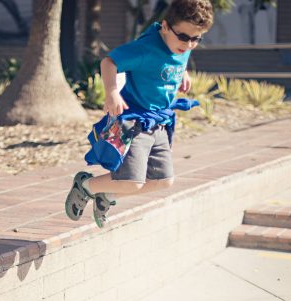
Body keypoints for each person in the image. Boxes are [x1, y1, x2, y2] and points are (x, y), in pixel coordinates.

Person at [65, 0, 214, 228]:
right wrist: (112, 92)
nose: (189, 44)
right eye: (184, 37)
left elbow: (175, 59)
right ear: (165, 27)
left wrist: (182, 74)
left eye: (197, 39)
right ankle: (85, 186)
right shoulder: (146, 48)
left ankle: (107, 196)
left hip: (160, 121)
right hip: (135, 121)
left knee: (164, 180)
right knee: (132, 182)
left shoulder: (179, 44)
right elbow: (109, 61)